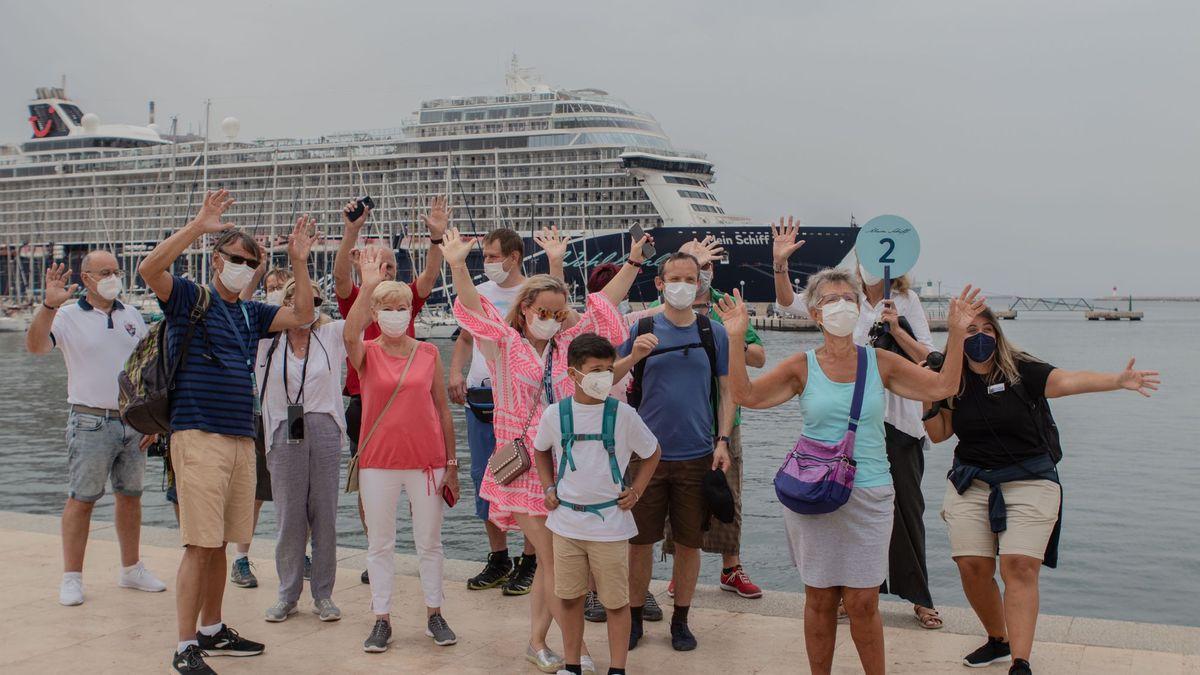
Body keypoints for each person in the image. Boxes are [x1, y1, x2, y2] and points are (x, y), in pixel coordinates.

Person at [713, 271, 983, 675]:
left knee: (862, 602)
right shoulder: (801, 367)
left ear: (858, 309)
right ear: (816, 313)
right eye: (832, 299)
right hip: (813, 493)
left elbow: (943, 386)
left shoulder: (881, 362)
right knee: (820, 600)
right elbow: (747, 396)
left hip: (871, 493)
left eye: (848, 298)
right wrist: (736, 338)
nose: (842, 304)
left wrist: (958, 334)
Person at [445, 225, 646, 674]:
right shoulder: (504, 343)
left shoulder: (563, 353)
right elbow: (473, 308)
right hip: (519, 465)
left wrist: (632, 262)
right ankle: (579, 651)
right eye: (544, 311)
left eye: (559, 313)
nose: (552, 319)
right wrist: (458, 264)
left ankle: (538, 643)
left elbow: (604, 309)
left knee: (548, 563)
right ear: (525, 309)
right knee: (554, 558)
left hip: (556, 467)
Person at [138, 189, 319, 675]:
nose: (242, 265)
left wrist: (298, 262)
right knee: (199, 543)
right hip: (197, 435)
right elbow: (149, 271)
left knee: (220, 541)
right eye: (236, 258)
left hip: (241, 438)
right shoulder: (189, 298)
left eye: (251, 261)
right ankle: (183, 644)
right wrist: (198, 225)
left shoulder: (250, 312)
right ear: (217, 260)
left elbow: (303, 315)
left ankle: (213, 628)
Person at [924, 308, 1159, 675]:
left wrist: (1116, 380)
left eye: (988, 328)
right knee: (972, 566)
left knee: (1017, 566)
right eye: (971, 330)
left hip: (1030, 478)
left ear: (999, 334)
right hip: (972, 481)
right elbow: (939, 435)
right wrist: (928, 395)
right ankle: (998, 639)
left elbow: (1068, 381)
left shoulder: (1021, 370)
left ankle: (1020, 661)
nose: (982, 336)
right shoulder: (950, 378)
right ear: (955, 336)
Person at [772, 216, 943, 628]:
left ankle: (920, 597)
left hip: (897, 422)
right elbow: (787, 303)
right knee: (847, 508)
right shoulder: (842, 298)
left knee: (907, 509)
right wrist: (780, 264)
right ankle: (858, 593)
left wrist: (896, 328)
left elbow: (930, 359)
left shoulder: (907, 302)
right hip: (848, 426)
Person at [25, 253, 166, 607]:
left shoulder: (132, 315)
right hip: (90, 420)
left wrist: (154, 421)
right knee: (82, 498)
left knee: (131, 496)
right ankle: (72, 576)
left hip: (132, 420)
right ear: (86, 278)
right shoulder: (68, 316)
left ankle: (131, 568)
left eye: (116, 271)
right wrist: (47, 306)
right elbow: (36, 347)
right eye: (105, 272)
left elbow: (149, 368)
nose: (113, 277)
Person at [345, 247, 461, 653]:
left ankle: (434, 613)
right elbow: (348, 332)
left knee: (430, 542)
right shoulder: (367, 354)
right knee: (380, 544)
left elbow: (443, 412)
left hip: (427, 463)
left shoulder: (428, 352)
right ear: (377, 314)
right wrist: (369, 284)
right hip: (378, 462)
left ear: (411, 311)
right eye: (388, 307)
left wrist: (452, 463)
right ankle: (382, 618)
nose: (396, 313)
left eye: (402, 307)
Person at [619, 251, 734, 653]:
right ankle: (633, 618)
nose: (684, 285)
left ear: (698, 283)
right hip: (645, 455)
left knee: (689, 543)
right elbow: (605, 377)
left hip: (697, 453)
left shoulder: (712, 332)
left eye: (691, 278)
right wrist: (634, 355)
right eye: (676, 278)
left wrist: (723, 441)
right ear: (660, 283)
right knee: (639, 542)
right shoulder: (643, 326)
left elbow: (727, 391)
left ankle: (681, 620)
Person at [334, 194, 448, 585]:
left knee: (420, 483)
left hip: (413, 401)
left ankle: (423, 546)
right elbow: (338, 279)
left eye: (392, 265)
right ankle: (375, 551)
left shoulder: (403, 302)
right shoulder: (356, 299)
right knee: (371, 487)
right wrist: (351, 235)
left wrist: (435, 240)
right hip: (366, 402)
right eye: (379, 264)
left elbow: (430, 278)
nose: (386, 270)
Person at [533, 334, 662, 675]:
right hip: (566, 524)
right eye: (596, 370)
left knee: (616, 602)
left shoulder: (624, 414)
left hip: (609, 525)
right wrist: (548, 486)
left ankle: (617, 669)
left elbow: (652, 452)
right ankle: (572, 665)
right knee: (570, 598)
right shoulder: (555, 414)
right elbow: (540, 449)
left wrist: (636, 491)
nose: (604, 376)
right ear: (573, 374)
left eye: (608, 369)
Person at [657, 236, 766, 602]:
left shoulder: (725, 305)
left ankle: (730, 566)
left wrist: (730, 337)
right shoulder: (661, 308)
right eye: (689, 268)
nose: (695, 278)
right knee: (677, 501)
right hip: (676, 423)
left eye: (703, 269)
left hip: (723, 420)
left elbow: (759, 357)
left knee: (726, 493)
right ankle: (679, 572)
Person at [446, 227, 537, 596]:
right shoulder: (479, 293)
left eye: (492, 256)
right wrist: (455, 371)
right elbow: (467, 337)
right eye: (484, 257)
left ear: (514, 257)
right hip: (483, 397)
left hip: (524, 400)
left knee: (531, 480)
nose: (487, 263)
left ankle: (530, 560)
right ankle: (499, 557)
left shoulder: (534, 291)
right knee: (486, 475)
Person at [254, 279, 346, 623]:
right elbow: (240, 311)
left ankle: (323, 595)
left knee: (325, 516)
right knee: (289, 517)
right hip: (283, 427)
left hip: (323, 425)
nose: (307, 307)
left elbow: (362, 314)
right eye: (298, 300)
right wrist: (257, 272)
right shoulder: (266, 342)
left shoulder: (331, 336)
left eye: (314, 300)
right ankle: (287, 593)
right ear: (285, 302)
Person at [231, 266, 295, 590]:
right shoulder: (255, 323)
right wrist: (255, 274)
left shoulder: (305, 325)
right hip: (259, 415)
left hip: (296, 414)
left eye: (281, 286)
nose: (275, 291)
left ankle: (299, 553)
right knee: (253, 492)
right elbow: (238, 305)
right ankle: (241, 558)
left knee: (298, 489)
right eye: (270, 286)